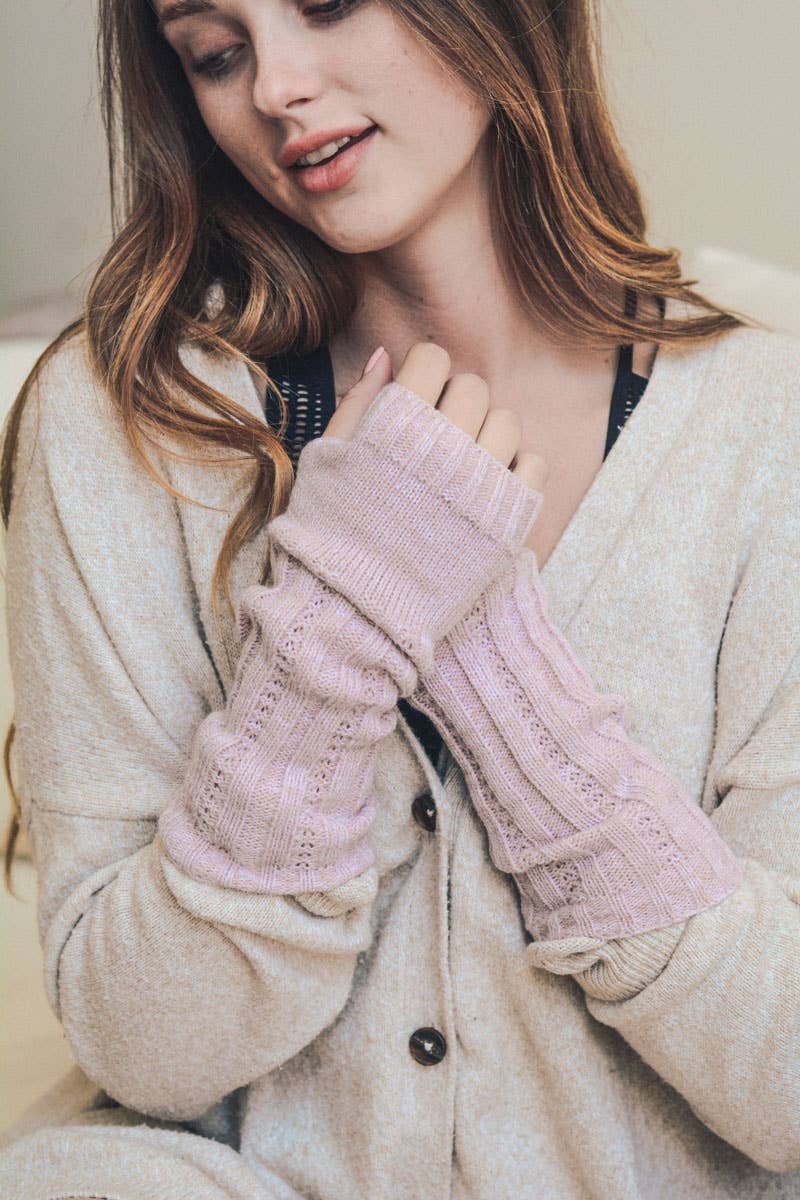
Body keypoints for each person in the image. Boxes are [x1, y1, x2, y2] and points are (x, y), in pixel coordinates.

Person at [1, 0, 798, 1196]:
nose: (273, 87)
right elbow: (144, 1049)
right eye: (214, 53)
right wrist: (325, 649)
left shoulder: (765, 428)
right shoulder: (125, 425)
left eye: (326, 3)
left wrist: (491, 665)